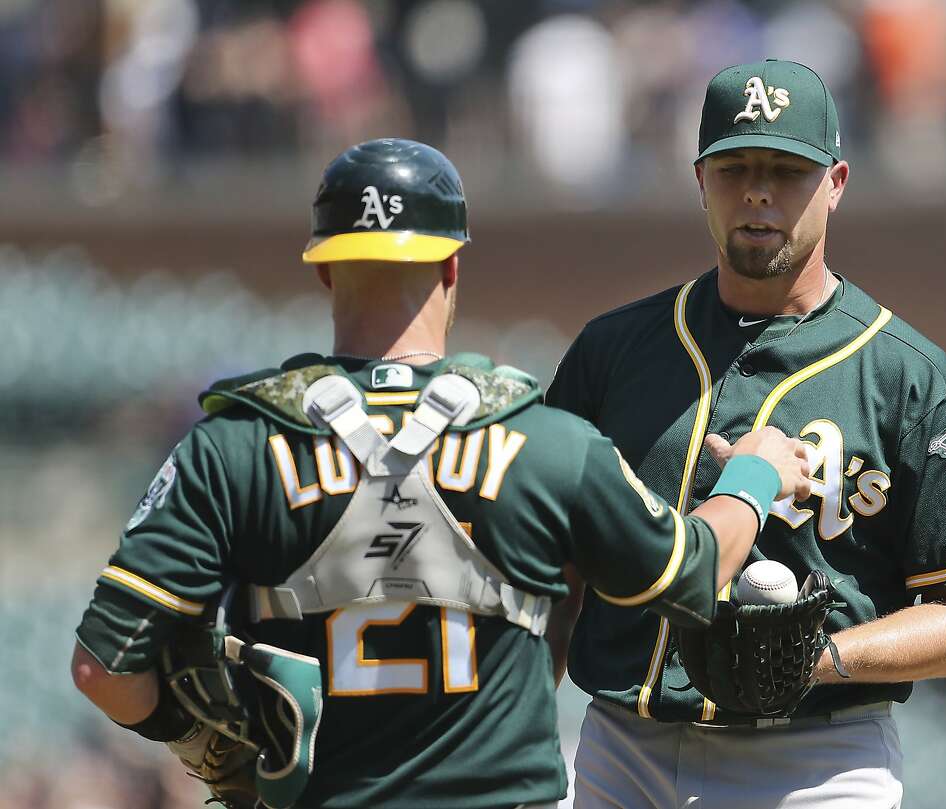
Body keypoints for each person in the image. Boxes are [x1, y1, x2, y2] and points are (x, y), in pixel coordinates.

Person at [69, 138, 819, 809]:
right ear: (452, 265)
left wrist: (205, 742)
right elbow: (687, 575)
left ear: (326, 270)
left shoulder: (232, 448)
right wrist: (750, 480)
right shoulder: (548, 442)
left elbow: (104, 669)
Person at [546, 59, 946, 808]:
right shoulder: (612, 351)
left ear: (836, 182)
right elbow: (555, 576)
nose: (758, 192)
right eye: (735, 167)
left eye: (786, 169)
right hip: (621, 744)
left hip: (814, 760)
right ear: (701, 181)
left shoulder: (908, 375)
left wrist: (821, 656)